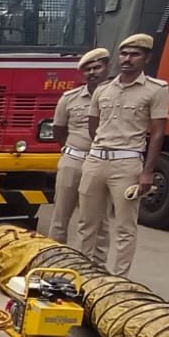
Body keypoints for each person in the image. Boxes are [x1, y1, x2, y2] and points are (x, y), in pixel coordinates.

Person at [80, 34, 168, 276]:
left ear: (147, 58)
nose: (128, 59)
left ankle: (120, 278)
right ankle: (85, 272)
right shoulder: (103, 89)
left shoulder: (156, 90)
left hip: (127, 161)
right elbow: (92, 125)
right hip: (97, 158)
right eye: (124, 54)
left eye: (135, 54)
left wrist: (148, 171)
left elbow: (158, 133)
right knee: (88, 222)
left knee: (125, 226)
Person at [50, 48, 111, 244]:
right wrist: (70, 150)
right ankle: (54, 261)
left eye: (97, 67)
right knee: (60, 216)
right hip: (73, 160)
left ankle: (93, 264)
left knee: (97, 220)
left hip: (102, 162)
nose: (92, 72)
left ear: (107, 68)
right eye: (87, 69)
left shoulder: (117, 98)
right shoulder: (69, 98)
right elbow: (58, 130)